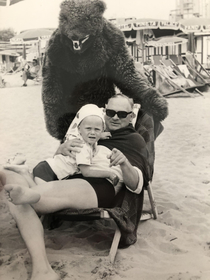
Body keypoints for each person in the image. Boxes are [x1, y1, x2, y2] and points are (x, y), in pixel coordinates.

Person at [0, 93, 149, 280]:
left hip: (98, 184)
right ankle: (43, 270)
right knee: (8, 175)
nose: (115, 117)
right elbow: (60, 161)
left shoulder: (133, 140)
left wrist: (125, 163)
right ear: (104, 111)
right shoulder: (90, 128)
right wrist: (62, 148)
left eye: (122, 114)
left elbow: (138, 184)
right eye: (110, 112)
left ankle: (41, 268)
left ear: (131, 116)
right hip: (68, 178)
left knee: (24, 200)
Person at [4, 104, 121, 188]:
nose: (92, 133)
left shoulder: (87, 137)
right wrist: (109, 173)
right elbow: (87, 172)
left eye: (97, 130)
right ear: (79, 130)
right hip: (48, 171)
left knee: (40, 195)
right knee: (39, 195)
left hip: (49, 167)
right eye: (88, 129)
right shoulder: (82, 146)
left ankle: (24, 171)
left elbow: (92, 132)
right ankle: (23, 171)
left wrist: (100, 135)